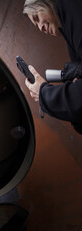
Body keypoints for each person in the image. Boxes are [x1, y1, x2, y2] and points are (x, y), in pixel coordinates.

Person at [23, 0, 82, 134]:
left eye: (37, 18)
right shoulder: (68, 25)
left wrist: (43, 93)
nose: (40, 28)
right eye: (36, 24)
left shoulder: (72, 9)